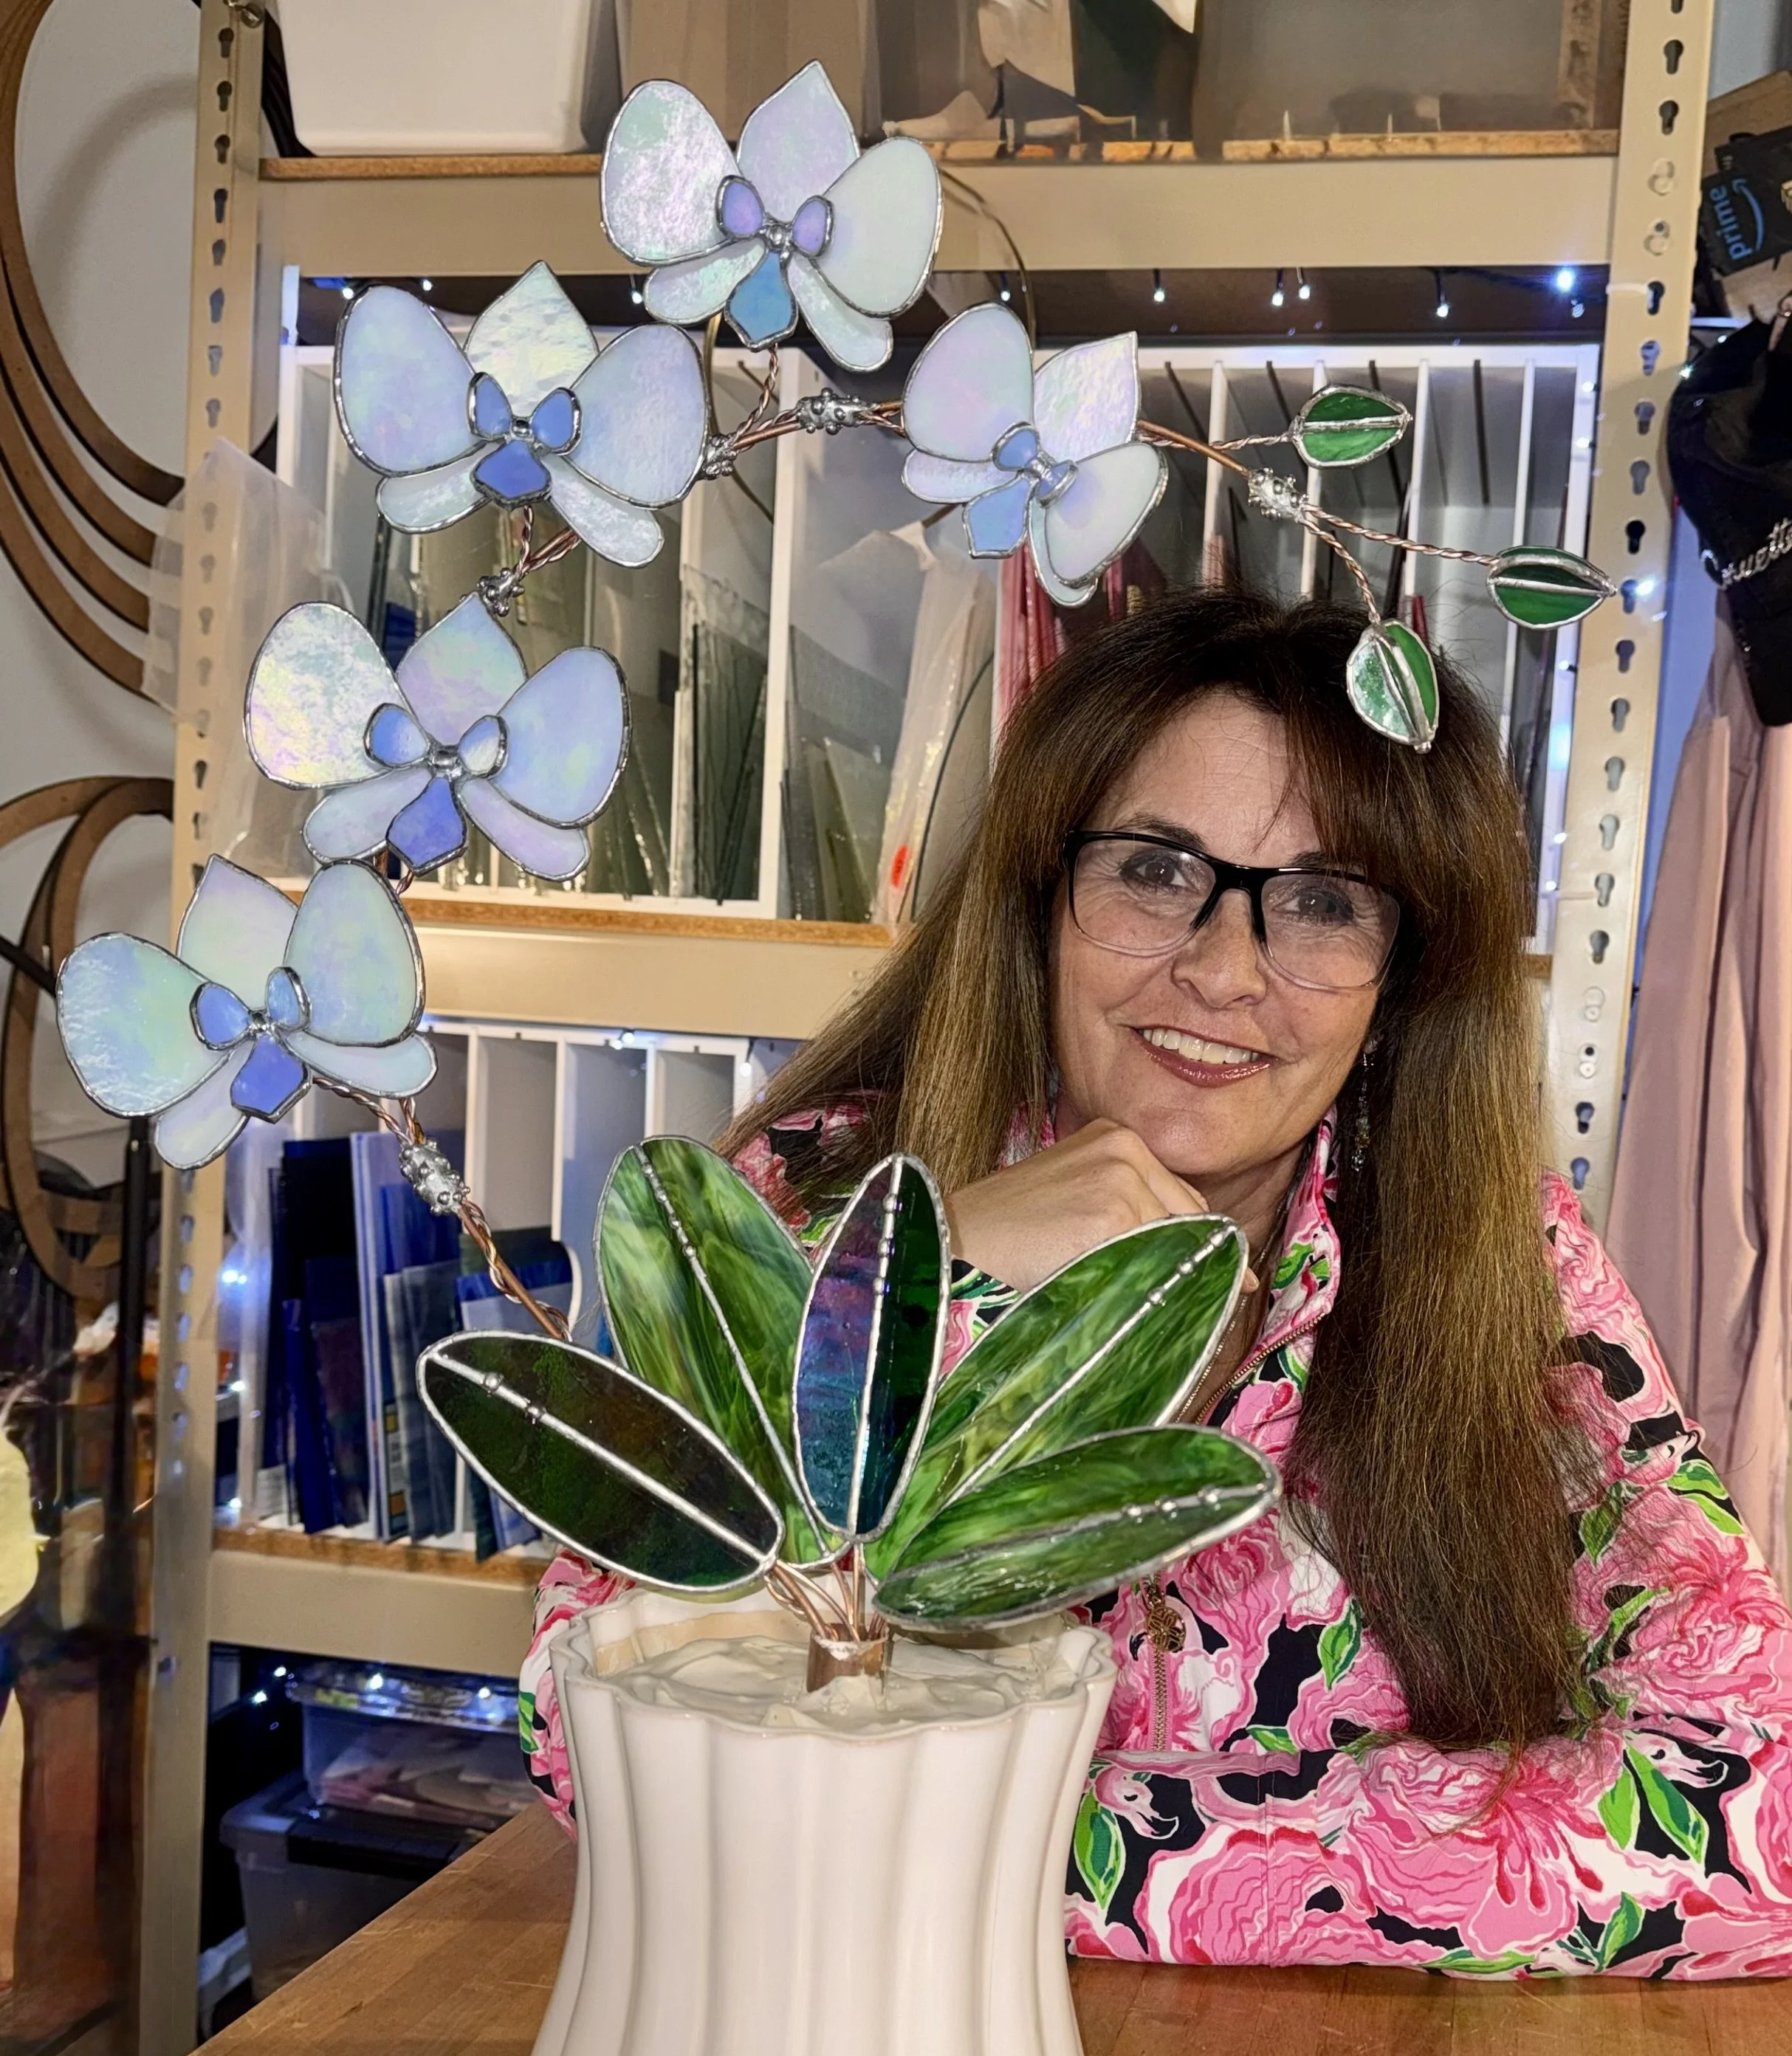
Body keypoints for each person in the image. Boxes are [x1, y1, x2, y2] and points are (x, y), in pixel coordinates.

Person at [525, 591, 1792, 1978]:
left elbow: (1762, 1792)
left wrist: (1015, 1849)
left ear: (1400, 986)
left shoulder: (1510, 1265)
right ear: (1039, 893)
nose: (1220, 969)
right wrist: (930, 1288)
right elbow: (591, 1727)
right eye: (1152, 869)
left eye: (1321, 904)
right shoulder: (809, 1203)